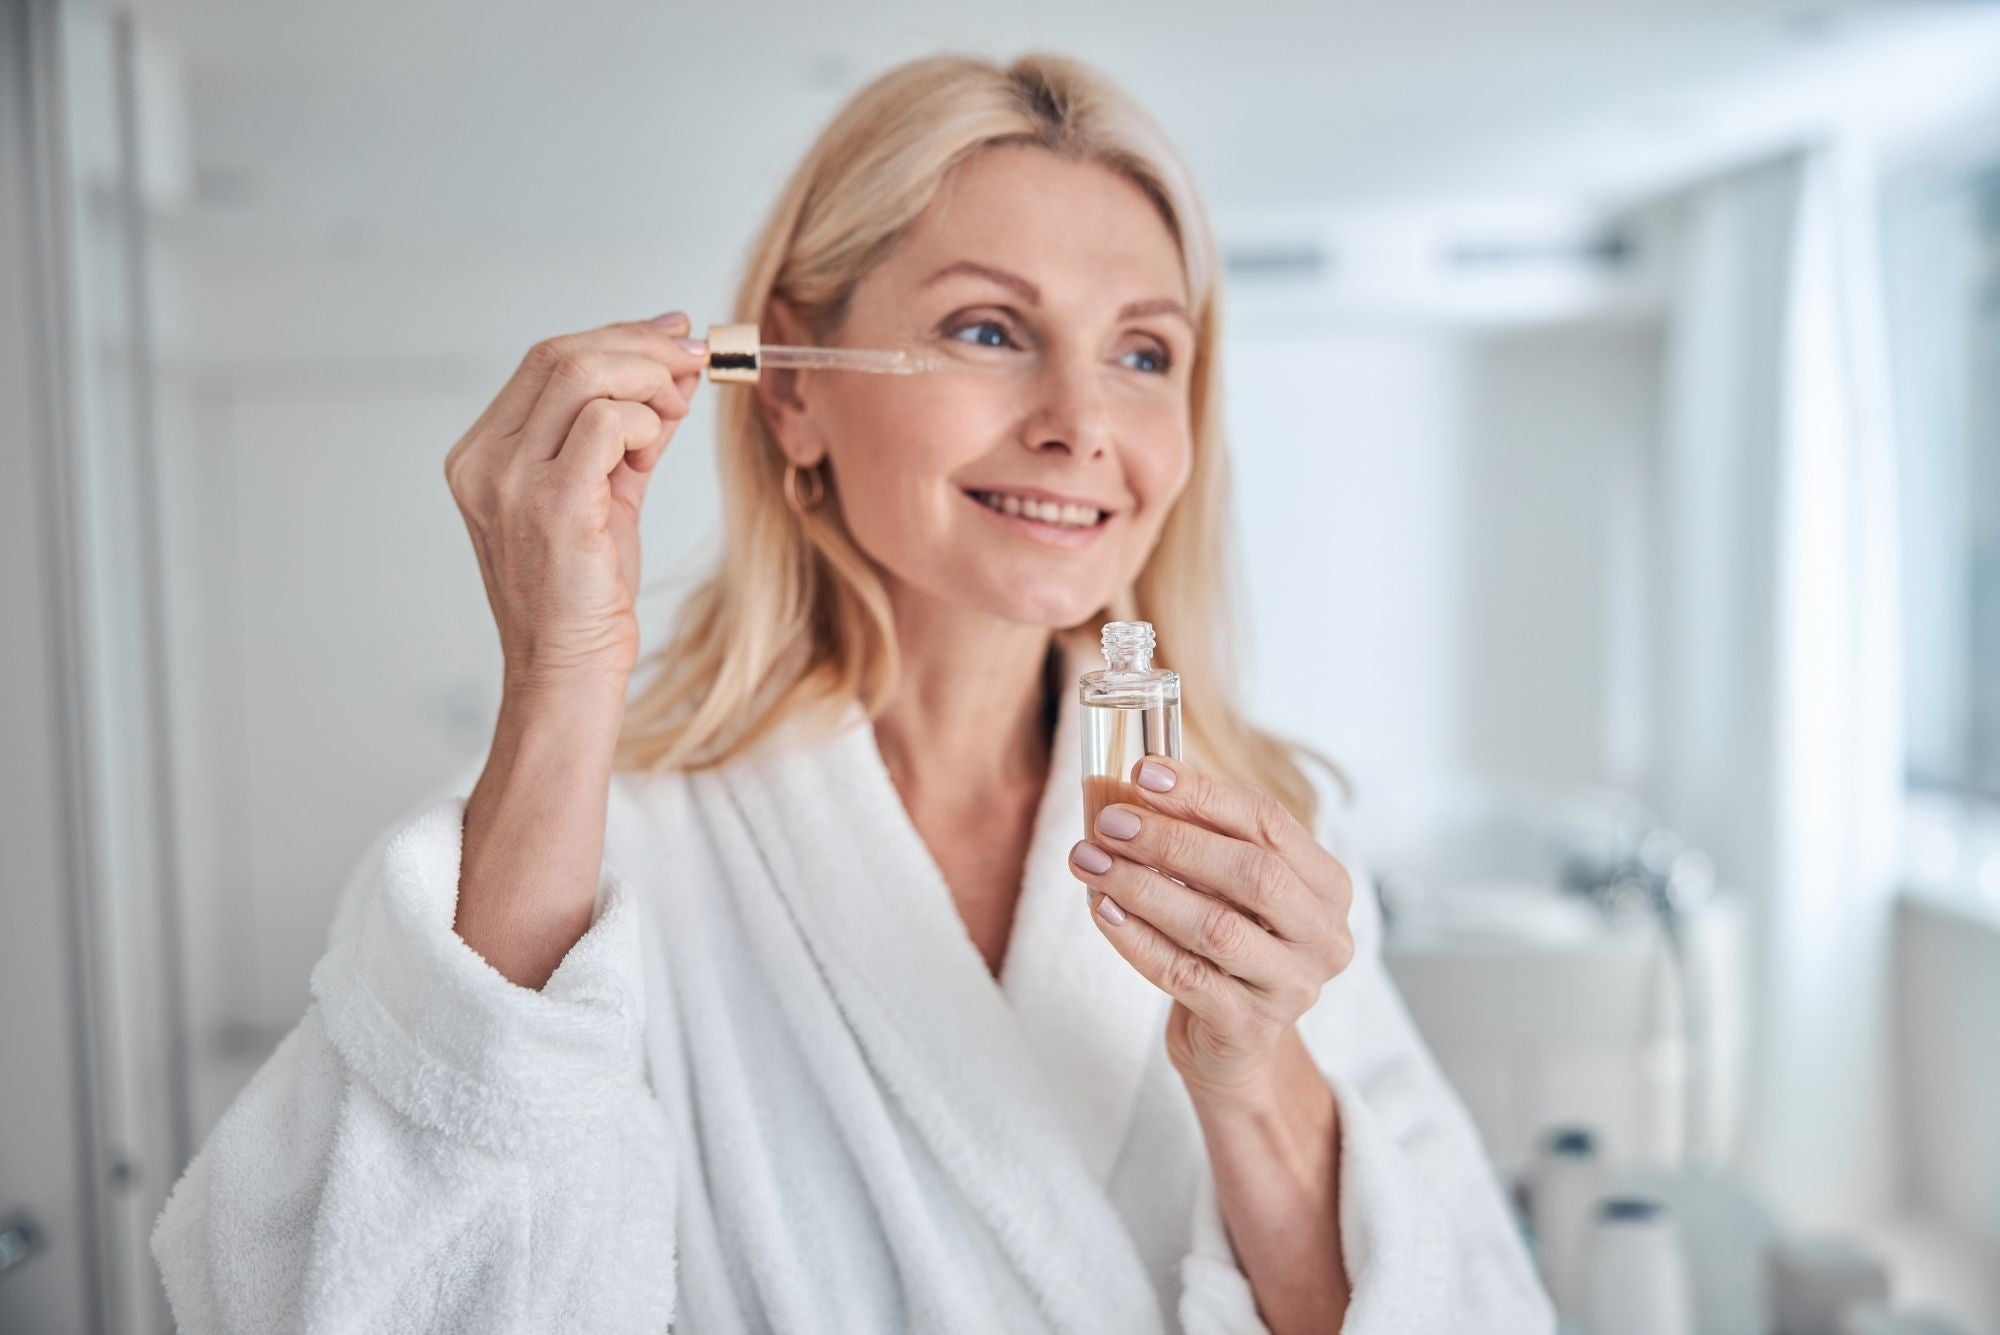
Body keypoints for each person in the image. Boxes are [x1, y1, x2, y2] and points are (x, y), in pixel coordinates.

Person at [150, 51, 1553, 1335]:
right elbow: (328, 1300)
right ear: (791, 391)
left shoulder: (1261, 849)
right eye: (990, 331)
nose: (1080, 422)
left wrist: (1253, 1073)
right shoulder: (597, 847)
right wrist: (565, 679)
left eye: (1144, 352)